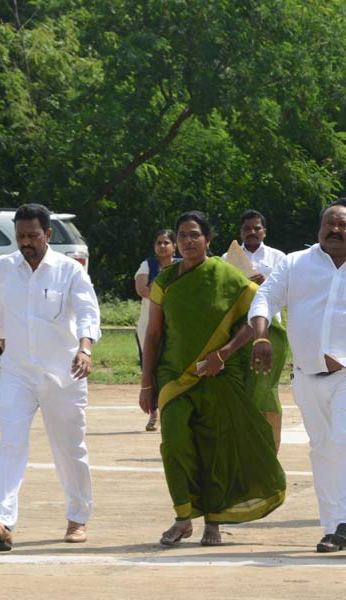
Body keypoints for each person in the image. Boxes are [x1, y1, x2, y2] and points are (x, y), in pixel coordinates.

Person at [250, 198, 346, 553]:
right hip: (306, 374)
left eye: (343, 225)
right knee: (322, 448)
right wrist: (260, 335)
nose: (334, 230)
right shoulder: (295, 263)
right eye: (328, 224)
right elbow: (264, 299)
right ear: (319, 228)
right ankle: (332, 524)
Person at [139, 211, 286, 547]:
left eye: (194, 235)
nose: (188, 241)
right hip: (175, 376)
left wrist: (224, 354)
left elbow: (255, 319)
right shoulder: (166, 280)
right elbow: (154, 334)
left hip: (218, 376)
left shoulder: (228, 277)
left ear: (208, 240)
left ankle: (214, 523)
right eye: (182, 236)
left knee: (215, 449)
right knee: (174, 445)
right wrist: (147, 383)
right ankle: (183, 517)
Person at [0, 203, 101, 551]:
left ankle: (78, 517)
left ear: (48, 234)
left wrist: (85, 349)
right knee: (11, 442)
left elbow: (89, 312)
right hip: (17, 372)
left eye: (33, 235)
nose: (26, 242)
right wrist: (4, 342)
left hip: (64, 373)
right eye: (20, 236)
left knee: (69, 448)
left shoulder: (69, 271)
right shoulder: (4, 267)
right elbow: (1, 313)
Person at [222, 209, 288, 447]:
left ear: (264, 231)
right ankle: (243, 443)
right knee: (241, 388)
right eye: (247, 228)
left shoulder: (279, 257)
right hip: (238, 330)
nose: (252, 232)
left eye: (256, 228)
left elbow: (288, 292)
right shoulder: (226, 258)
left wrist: (265, 283)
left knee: (265, 387)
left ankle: (269, 445)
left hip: (271, 330)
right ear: (241, 231)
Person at [135, 229, 180, 431]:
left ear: (174, 246)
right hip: (148, 326)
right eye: (159, 242)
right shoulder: (148, 265)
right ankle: (153, 414)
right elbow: (142, 289)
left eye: (166, 243)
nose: (162, 246)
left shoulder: (182, 264)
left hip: (176, 325)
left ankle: (174, 412)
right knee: (150, 368)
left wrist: (158, 287)